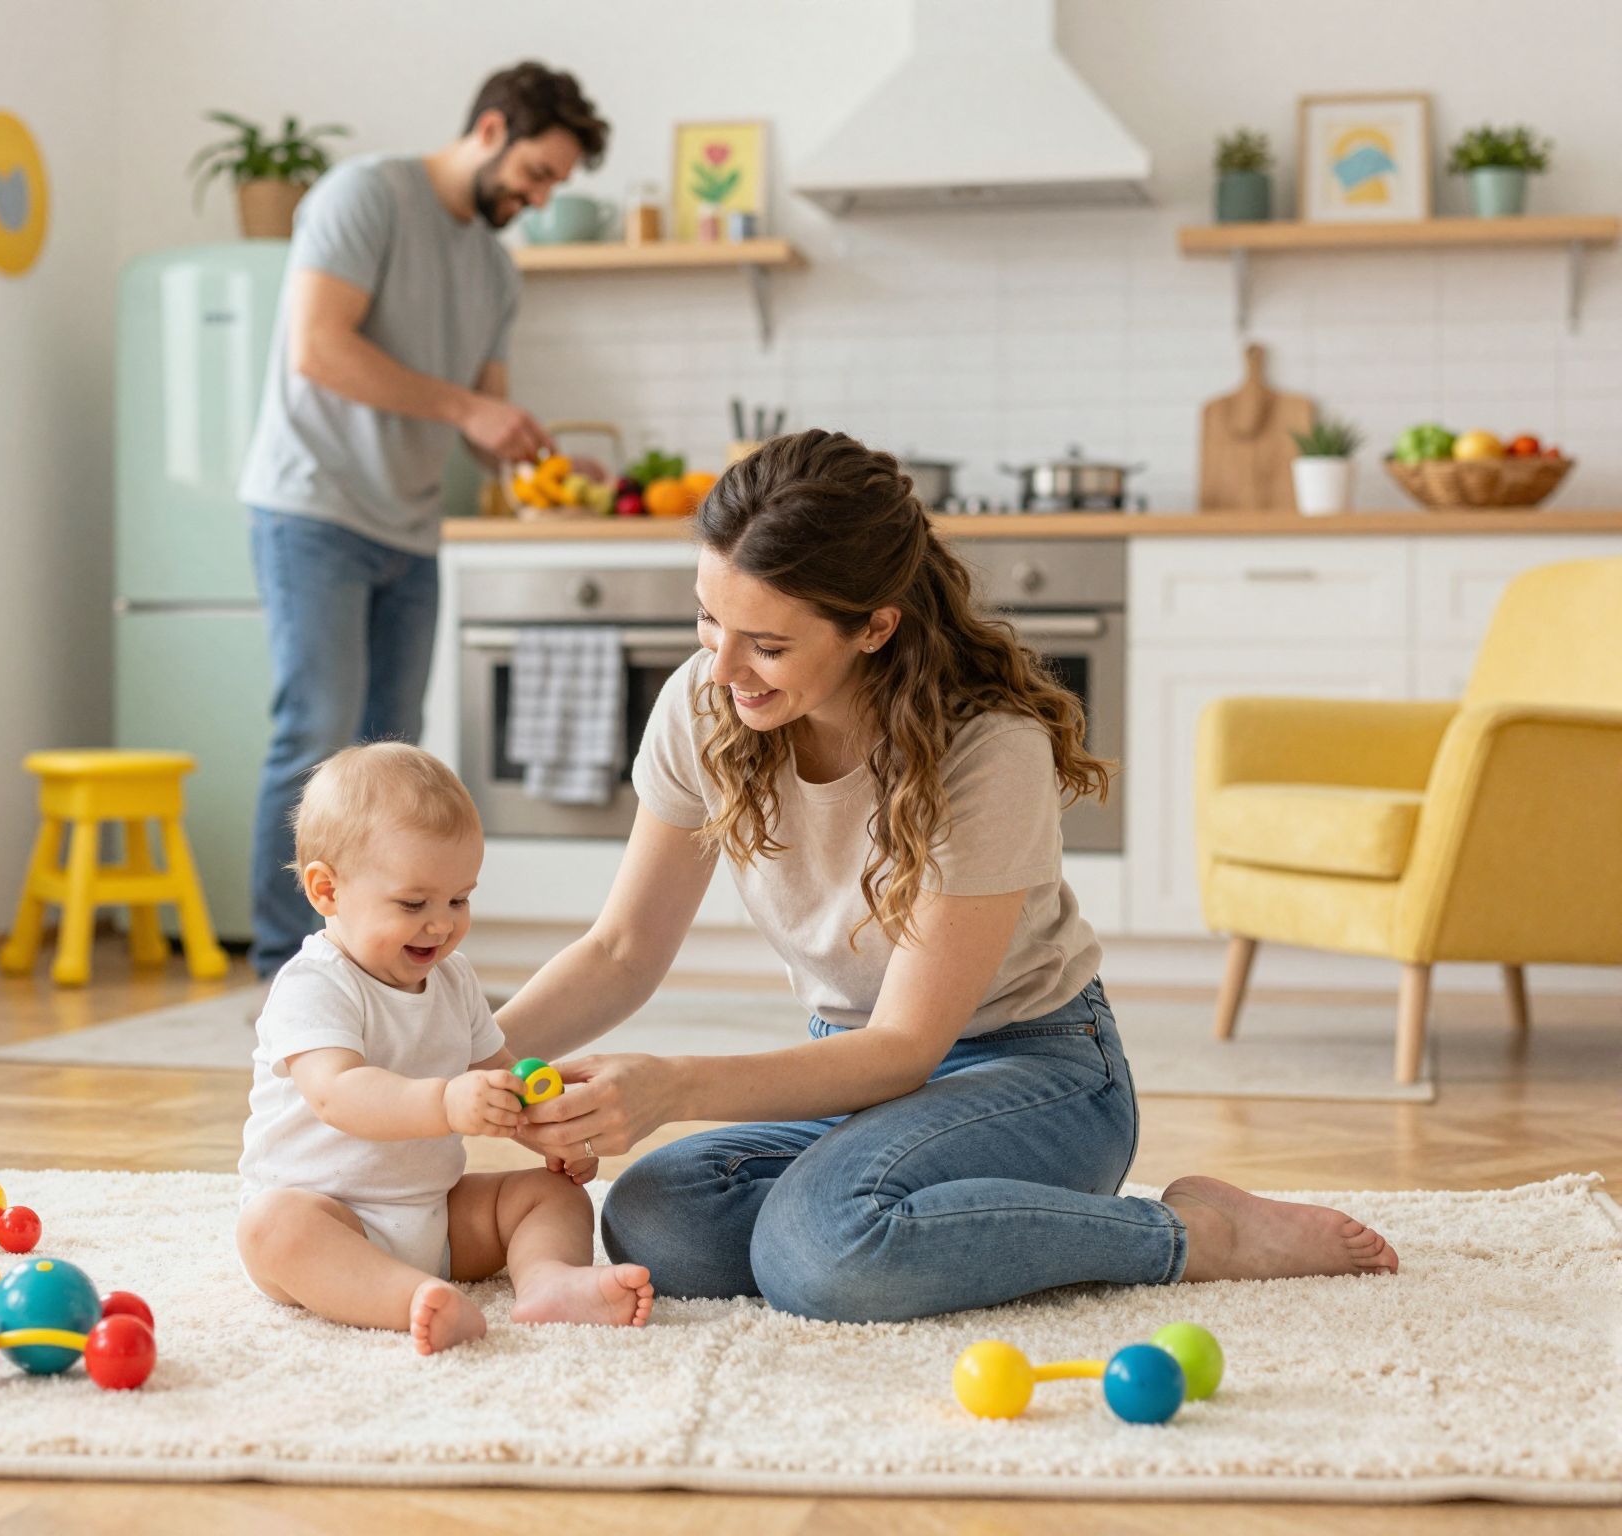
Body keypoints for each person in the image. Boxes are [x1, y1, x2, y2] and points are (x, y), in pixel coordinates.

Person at [500, 430, 1400, 1322]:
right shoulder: (705, 704)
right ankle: (898, 1218)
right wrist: (454, 1058)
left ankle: (1190, 1235)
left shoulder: (987, 748)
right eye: (708, 620)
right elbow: (621, 951)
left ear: (874, 627)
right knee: (658, 1215)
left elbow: (905, 1047)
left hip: (1033, 1071)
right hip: (845, 1072)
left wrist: (674, 1085)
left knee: (821, 1254)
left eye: (766, 645)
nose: (722, 668)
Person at [239, 63, 609, 977]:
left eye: (558, 182)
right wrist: (465, 412)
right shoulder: (366, 196)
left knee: (391, 759)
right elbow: (319, 349)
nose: (541, 194)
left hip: (407, 526)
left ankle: (376, 961)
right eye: (538, 171)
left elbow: (482, 418)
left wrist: (536, 454)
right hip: (314, 505)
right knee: (316, 732)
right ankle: (288, 963)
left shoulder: (493, 270)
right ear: (491, 130)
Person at [234, 743, 653, 1355]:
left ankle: (548, 1282)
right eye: (414, 903)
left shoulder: (454, 980)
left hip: (436, 1212)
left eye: (459, 899)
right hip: (328, 1215)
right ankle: (408, 1300)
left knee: (549, 1195)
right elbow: (338, 1095)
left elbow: (498, 1074)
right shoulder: (314, 984)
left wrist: (548, 1129)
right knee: (271, 1230)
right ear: (327, 890)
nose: (442, 923)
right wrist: (447, 1103)